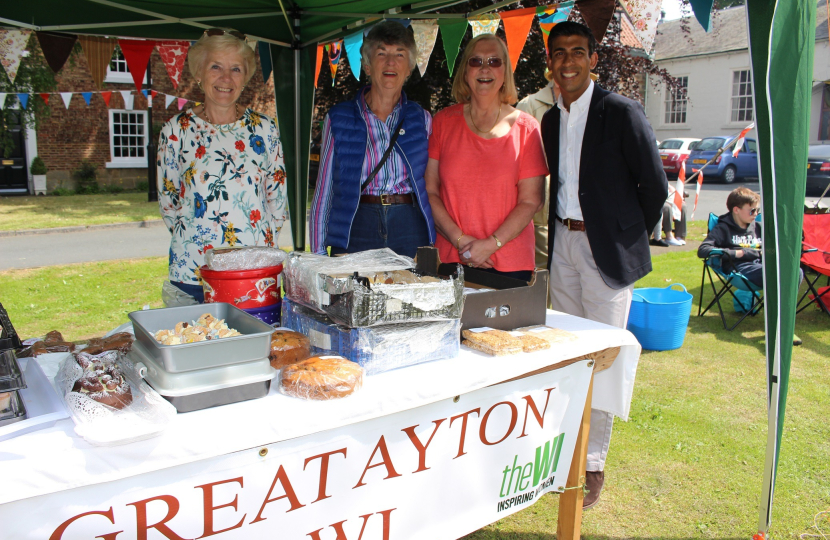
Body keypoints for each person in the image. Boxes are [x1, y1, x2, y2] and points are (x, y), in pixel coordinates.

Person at [539, 22, 667, 508]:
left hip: (606, 252)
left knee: (605, 356)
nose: (567, 62)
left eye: (577, 52)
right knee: (571, 353)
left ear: (593, 58)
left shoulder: (621, 111)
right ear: (550, 62)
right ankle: (570, 446)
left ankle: (593, 463)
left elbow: (652, 188)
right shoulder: (551, 120)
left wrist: (620, 233)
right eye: (559, 54)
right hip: (564, 246)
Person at [157, 28, 288, 303]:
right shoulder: (175, 131)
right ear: (199, 72)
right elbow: (169, 204)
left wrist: (255, 247)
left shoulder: (265, 130)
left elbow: (277, 202)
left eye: (236, 69)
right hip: (194, 270)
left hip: (255, 272)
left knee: (258, 345)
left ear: (245, 77)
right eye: (216, 66)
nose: (225, 78)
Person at [425, 34, 548, 280]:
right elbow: (430, 191)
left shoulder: (527, 128)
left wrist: (490, 245)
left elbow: (531, 201)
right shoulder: (442, 123)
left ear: (505, 72)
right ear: (465, 71)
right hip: (450, 259)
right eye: (476, 61)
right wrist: (461, 241)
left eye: (494, 61)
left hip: (510, 264)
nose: (484, 69)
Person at [309, 21, 435, 259]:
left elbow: (434, 187)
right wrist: (317, 255)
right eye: (381, 53)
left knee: (408, 295)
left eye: (400, 54)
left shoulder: (423, 119)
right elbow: (324, 191)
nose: (391, 62)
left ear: (409, 68)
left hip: (409, 226)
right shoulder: (338, 118)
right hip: (355, 226)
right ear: (367, 65)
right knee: (353, 295)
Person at [516, 75, 559, 268]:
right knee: (543, 272)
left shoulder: (583, 106)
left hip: (574, 211)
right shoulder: (529, 105)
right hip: (541, 208)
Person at [698, 187, 762, 285]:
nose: (756, 214)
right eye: (752, 210)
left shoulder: (759, 227)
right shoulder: (723, 228)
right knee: (773, 272)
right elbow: (703, 250)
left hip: (760, 264)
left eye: (758, 210)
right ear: (736, 210)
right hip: (738, 268)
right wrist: (739, 253)